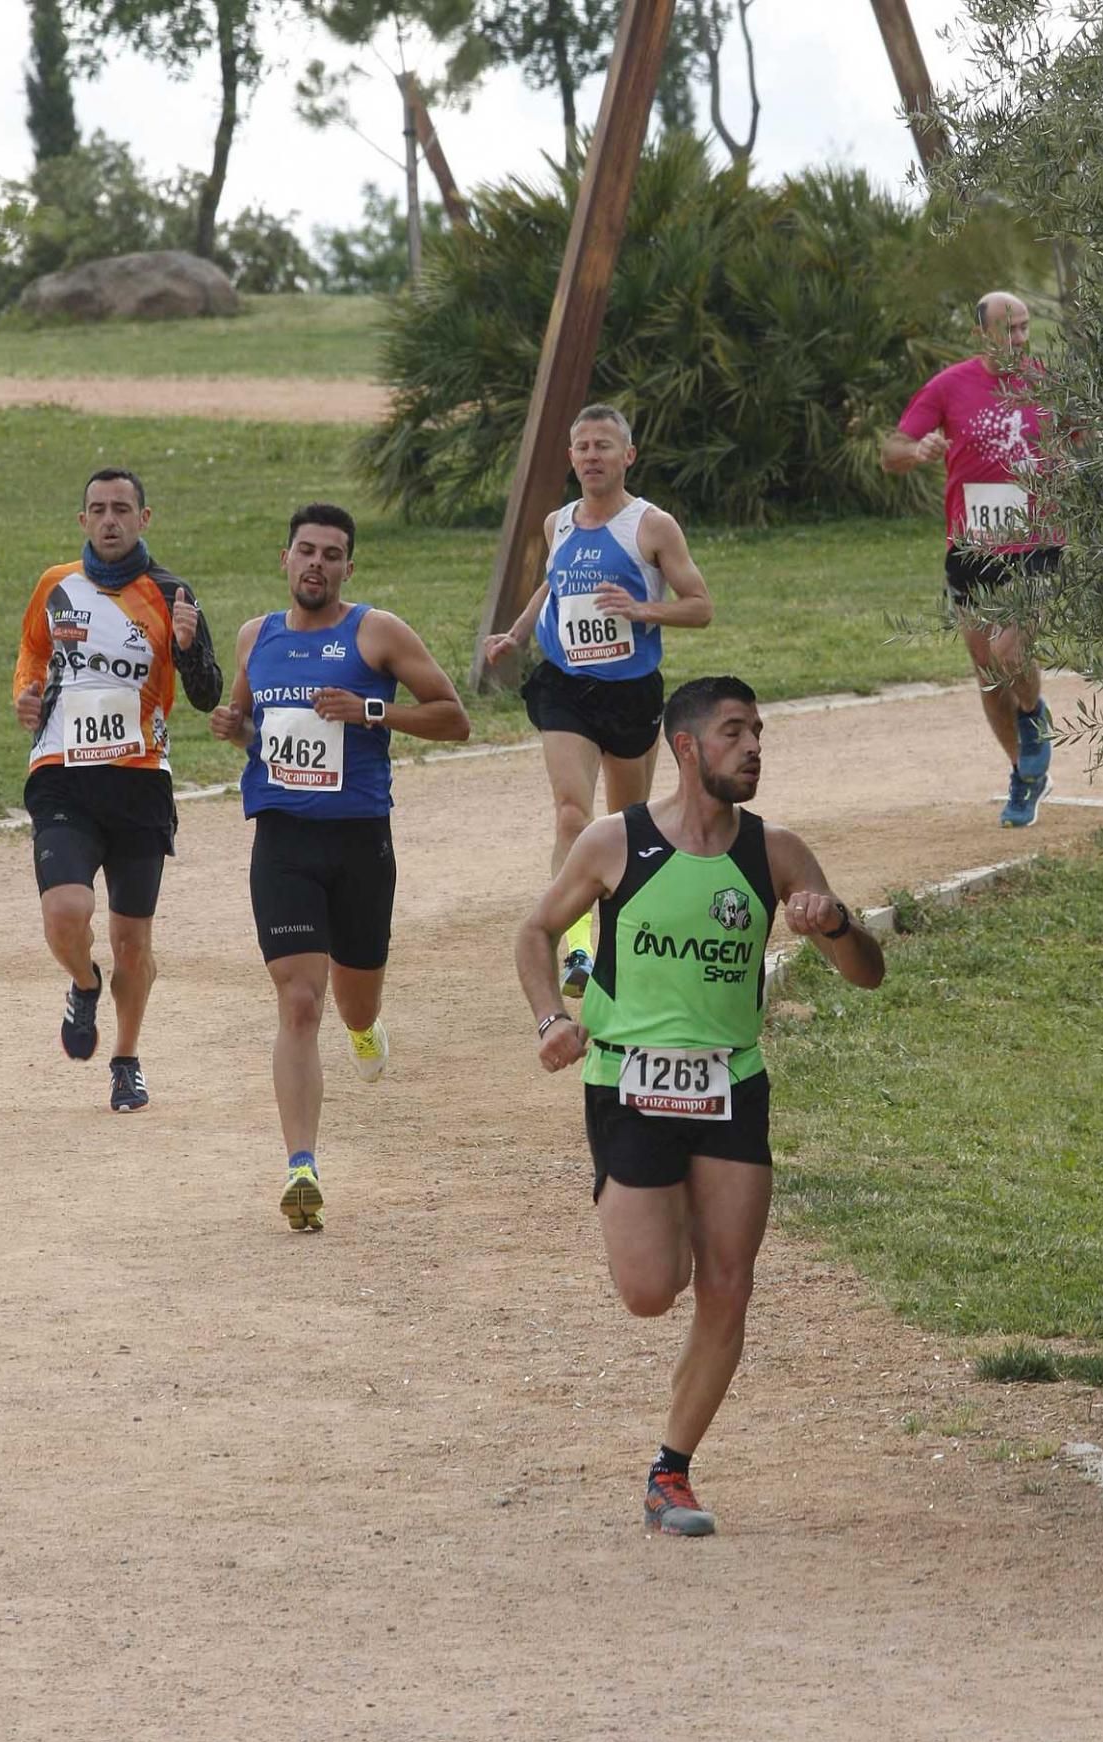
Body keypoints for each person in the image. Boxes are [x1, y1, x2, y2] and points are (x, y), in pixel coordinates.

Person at [515, 675, 884, 1535]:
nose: (754, 746)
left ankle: (671, 1471)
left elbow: (867, 971)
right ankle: (648, 1204)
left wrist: (833, 927)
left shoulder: (777, 853)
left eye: (758, 732)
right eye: (734, 733)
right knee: (651, 1289)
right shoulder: (616, 842)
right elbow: (535, 932)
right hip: (627, 1085)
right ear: (686, 749)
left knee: (728, 1284)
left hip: (730, 1087)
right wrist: (548, 1018)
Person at [210, 502, 470, 1232]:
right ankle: (301, 1167)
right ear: (285, 560)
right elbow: (257, 733)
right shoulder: (254, 637)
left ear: (349, 567)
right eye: (305, 551)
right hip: (284, 842)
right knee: (299, 1001)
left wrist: (371, 713)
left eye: (332, 553)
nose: (317, 563)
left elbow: (455, 717)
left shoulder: (377, 632)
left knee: (356, 1003)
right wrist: (235, 730)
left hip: (359, 843)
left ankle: (366, 1028)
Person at [12, 467, 222, 1112]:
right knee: (65, 914)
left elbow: (208, 693)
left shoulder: (171, 593)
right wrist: (24, 696)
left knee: (134, 944)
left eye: (121, 509)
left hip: (139, 785)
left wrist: (186, 649)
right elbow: (32, 656)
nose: (109, 520)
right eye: (98, 509)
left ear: (143, 519)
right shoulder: (56, 586)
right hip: (62, 778)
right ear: (82, 521)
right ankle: (83, 982)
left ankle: (126, 1059)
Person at [484, 403, 712, 996]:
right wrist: (516, 631)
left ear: (628, 456)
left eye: (604, 445)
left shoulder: (651, 526)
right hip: (565, 686)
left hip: (630, 693)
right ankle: (577, 948)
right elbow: (553, 580)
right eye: (582, 446)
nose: (592, 456)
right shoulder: (557, 522)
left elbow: (700, 606)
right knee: (570, 813)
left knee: (625, 828)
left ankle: (621, 943)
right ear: (571, 458)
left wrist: (643, 610)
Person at [882, 291, 1064, 828]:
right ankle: (1025, 774)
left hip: (1036, 539)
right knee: (987, 669)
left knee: (1010, 653)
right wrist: (916, 452)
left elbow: (1088, 440)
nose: (1019, 340)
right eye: (1008, 330)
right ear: (980, 334)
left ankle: (1033, 717)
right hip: (973, 545)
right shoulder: (948, 386)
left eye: (1025, 328)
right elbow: (892, 450)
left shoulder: (1049, 382)